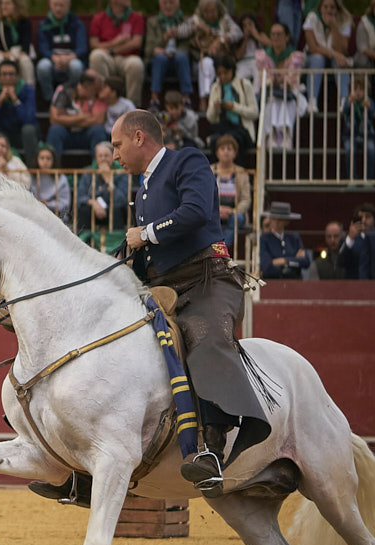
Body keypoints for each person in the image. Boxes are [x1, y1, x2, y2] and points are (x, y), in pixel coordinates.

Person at [113, 109, 270, 496]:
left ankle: (213, 452)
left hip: (206, 280)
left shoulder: (187, 160)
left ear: (138, 137)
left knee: (206, 337)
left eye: (117, 145)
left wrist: (145, 233)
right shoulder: (143, 189)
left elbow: (197, 212)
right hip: (163, 288)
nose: (114, 154)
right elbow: (142, 251)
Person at [0, 58, 39, 169]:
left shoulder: (28, 90)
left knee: (29, 130)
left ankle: (33, 169)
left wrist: (15, 100)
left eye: (11, 74)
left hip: (20, 135)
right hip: (0, 135)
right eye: (4, 74)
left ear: (18, 76)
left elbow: (29, 119)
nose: (8, 78)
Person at [255, 22, 306, 149]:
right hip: (270, 93)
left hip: (290, 92)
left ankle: (286, 135)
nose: (276, 37)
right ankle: (271, 135)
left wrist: (278, 81)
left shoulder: (296, 56)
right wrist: (276, 81)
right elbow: (265, 80)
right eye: (273, 34)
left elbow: (292, 79)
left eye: (279, 34)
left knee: (287, 100)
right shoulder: (263, 56)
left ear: (287, 37)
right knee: (271, 101)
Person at [89, 0, 145, 108]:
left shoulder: (136, 17)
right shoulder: (99, 18)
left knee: (136, 64)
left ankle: (132, 109)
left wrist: (112, 50)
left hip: (127, 58)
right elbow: (94, 44)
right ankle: (103, 104)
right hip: (107, 59)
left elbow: (136, 43)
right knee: (96, 55)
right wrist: (114, 42)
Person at [46, 70, 107, 166]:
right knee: (55, 130)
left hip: (86, 134)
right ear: (87, 86)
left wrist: (66, 119)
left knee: (98, 130)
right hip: (66, 133)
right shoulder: (64, 90)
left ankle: (98, 168)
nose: (98, 91)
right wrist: (81, 117)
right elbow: (54, 119)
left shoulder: (99, 94)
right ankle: (53, 170)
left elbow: (98, 120)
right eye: (95, 88)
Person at [301, 0, 353, 112]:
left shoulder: (344, 20)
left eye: (332, 7)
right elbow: (313, 48)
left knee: (339, 61)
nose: (329, 10)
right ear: (320, 7)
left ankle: (345, 100)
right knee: (318, 59)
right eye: (325, 7)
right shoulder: (312, 18)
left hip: (334, 60)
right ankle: (312, 100)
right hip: (312, 58)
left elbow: (342, 49)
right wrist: (334, 54)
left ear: (337, 9)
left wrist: (334, 27)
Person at [145, 0, 194, 110]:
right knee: (160, 58)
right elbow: (148, 50)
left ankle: (186, 100)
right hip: (159, 62)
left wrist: (175, 51)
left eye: (171, 3)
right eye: (165, 3)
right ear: (160, 4)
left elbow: (188, 47)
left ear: (178, 4)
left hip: (179, 60)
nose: (168, 6)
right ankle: (154, 100)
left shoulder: (186, 22)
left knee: (182, 57)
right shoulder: (152, 22)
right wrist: (164, 40)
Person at [36, 0, 88, 103]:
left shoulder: (77, 23)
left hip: (72, 59)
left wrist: (69, 58)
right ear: (50, 5)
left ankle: (70, 98)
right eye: (55, 5)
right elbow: (43, 48)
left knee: (76, 67)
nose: (58, 8)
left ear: (68, 6)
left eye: (61, 5)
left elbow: (82, 48)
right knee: (42, 67)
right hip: (52, 60)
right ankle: (50, 100)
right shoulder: (44, 25)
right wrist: (54, 58)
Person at [206, 54, 257, 156]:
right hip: (222, 128)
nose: (223, 77)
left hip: (241, 130)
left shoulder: (245, 84)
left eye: (226, 72)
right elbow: (210, 118)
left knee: (231, 141)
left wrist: (234, 107)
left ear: (232, 70)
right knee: (215, 141)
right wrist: (215, 108)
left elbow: (254, 112)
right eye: (219, 74)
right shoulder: (215, 88)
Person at [211, 135, 249, 256]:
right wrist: (217, 209)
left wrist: (232, 211)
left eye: (229, 149)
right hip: (214, 210)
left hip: (234, 213)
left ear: (235, 153)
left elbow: (246, 199)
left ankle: (221, 252)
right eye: (222, 149)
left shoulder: (242, 172)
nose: (226, 152)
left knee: (238, 218)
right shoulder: (209, 170)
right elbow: (205, 196)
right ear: (217, 153)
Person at [340, 75, 375, 180]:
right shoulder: (348, 101)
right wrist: (349, 103)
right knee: (349, 150)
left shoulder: (369, 102)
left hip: (367, 135)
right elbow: (344, 111)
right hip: (350, 135)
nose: (358, 92)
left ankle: (368, 179)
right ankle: (352, 178)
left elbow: (373, 113)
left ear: (366, 91)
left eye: (361, 89)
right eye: (355, 89)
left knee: (370, 150)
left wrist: (369, 108)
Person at [0, 0, 36, 87]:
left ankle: (29, 89)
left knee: (25, 61)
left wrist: (17, 56)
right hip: (4, 54)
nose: (3, 7)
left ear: (16, 5)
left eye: (7, 3)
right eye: (1, 4)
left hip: (20, 54)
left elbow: (26, 46)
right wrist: (7, 55)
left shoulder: (25, 22)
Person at [259, 201, 308, 279]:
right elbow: (266, 267)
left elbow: (305, 262)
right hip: (273, 283)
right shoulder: (264, 239)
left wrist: (284, 261)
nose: (276, 222)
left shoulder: (294, 238)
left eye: (280, 219)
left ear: (286, 221)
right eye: (274, 218)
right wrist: (294, 260)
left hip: (294, 283)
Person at [31, 143, 70, 221]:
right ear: (37, 159)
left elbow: (66, 205)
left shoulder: (61, 179)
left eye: (48, 158)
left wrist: (49, 204)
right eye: (42, 158)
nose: (45, 161)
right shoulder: (31, 177)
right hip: (35, 215)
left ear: (53, 161)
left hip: (57, 216)